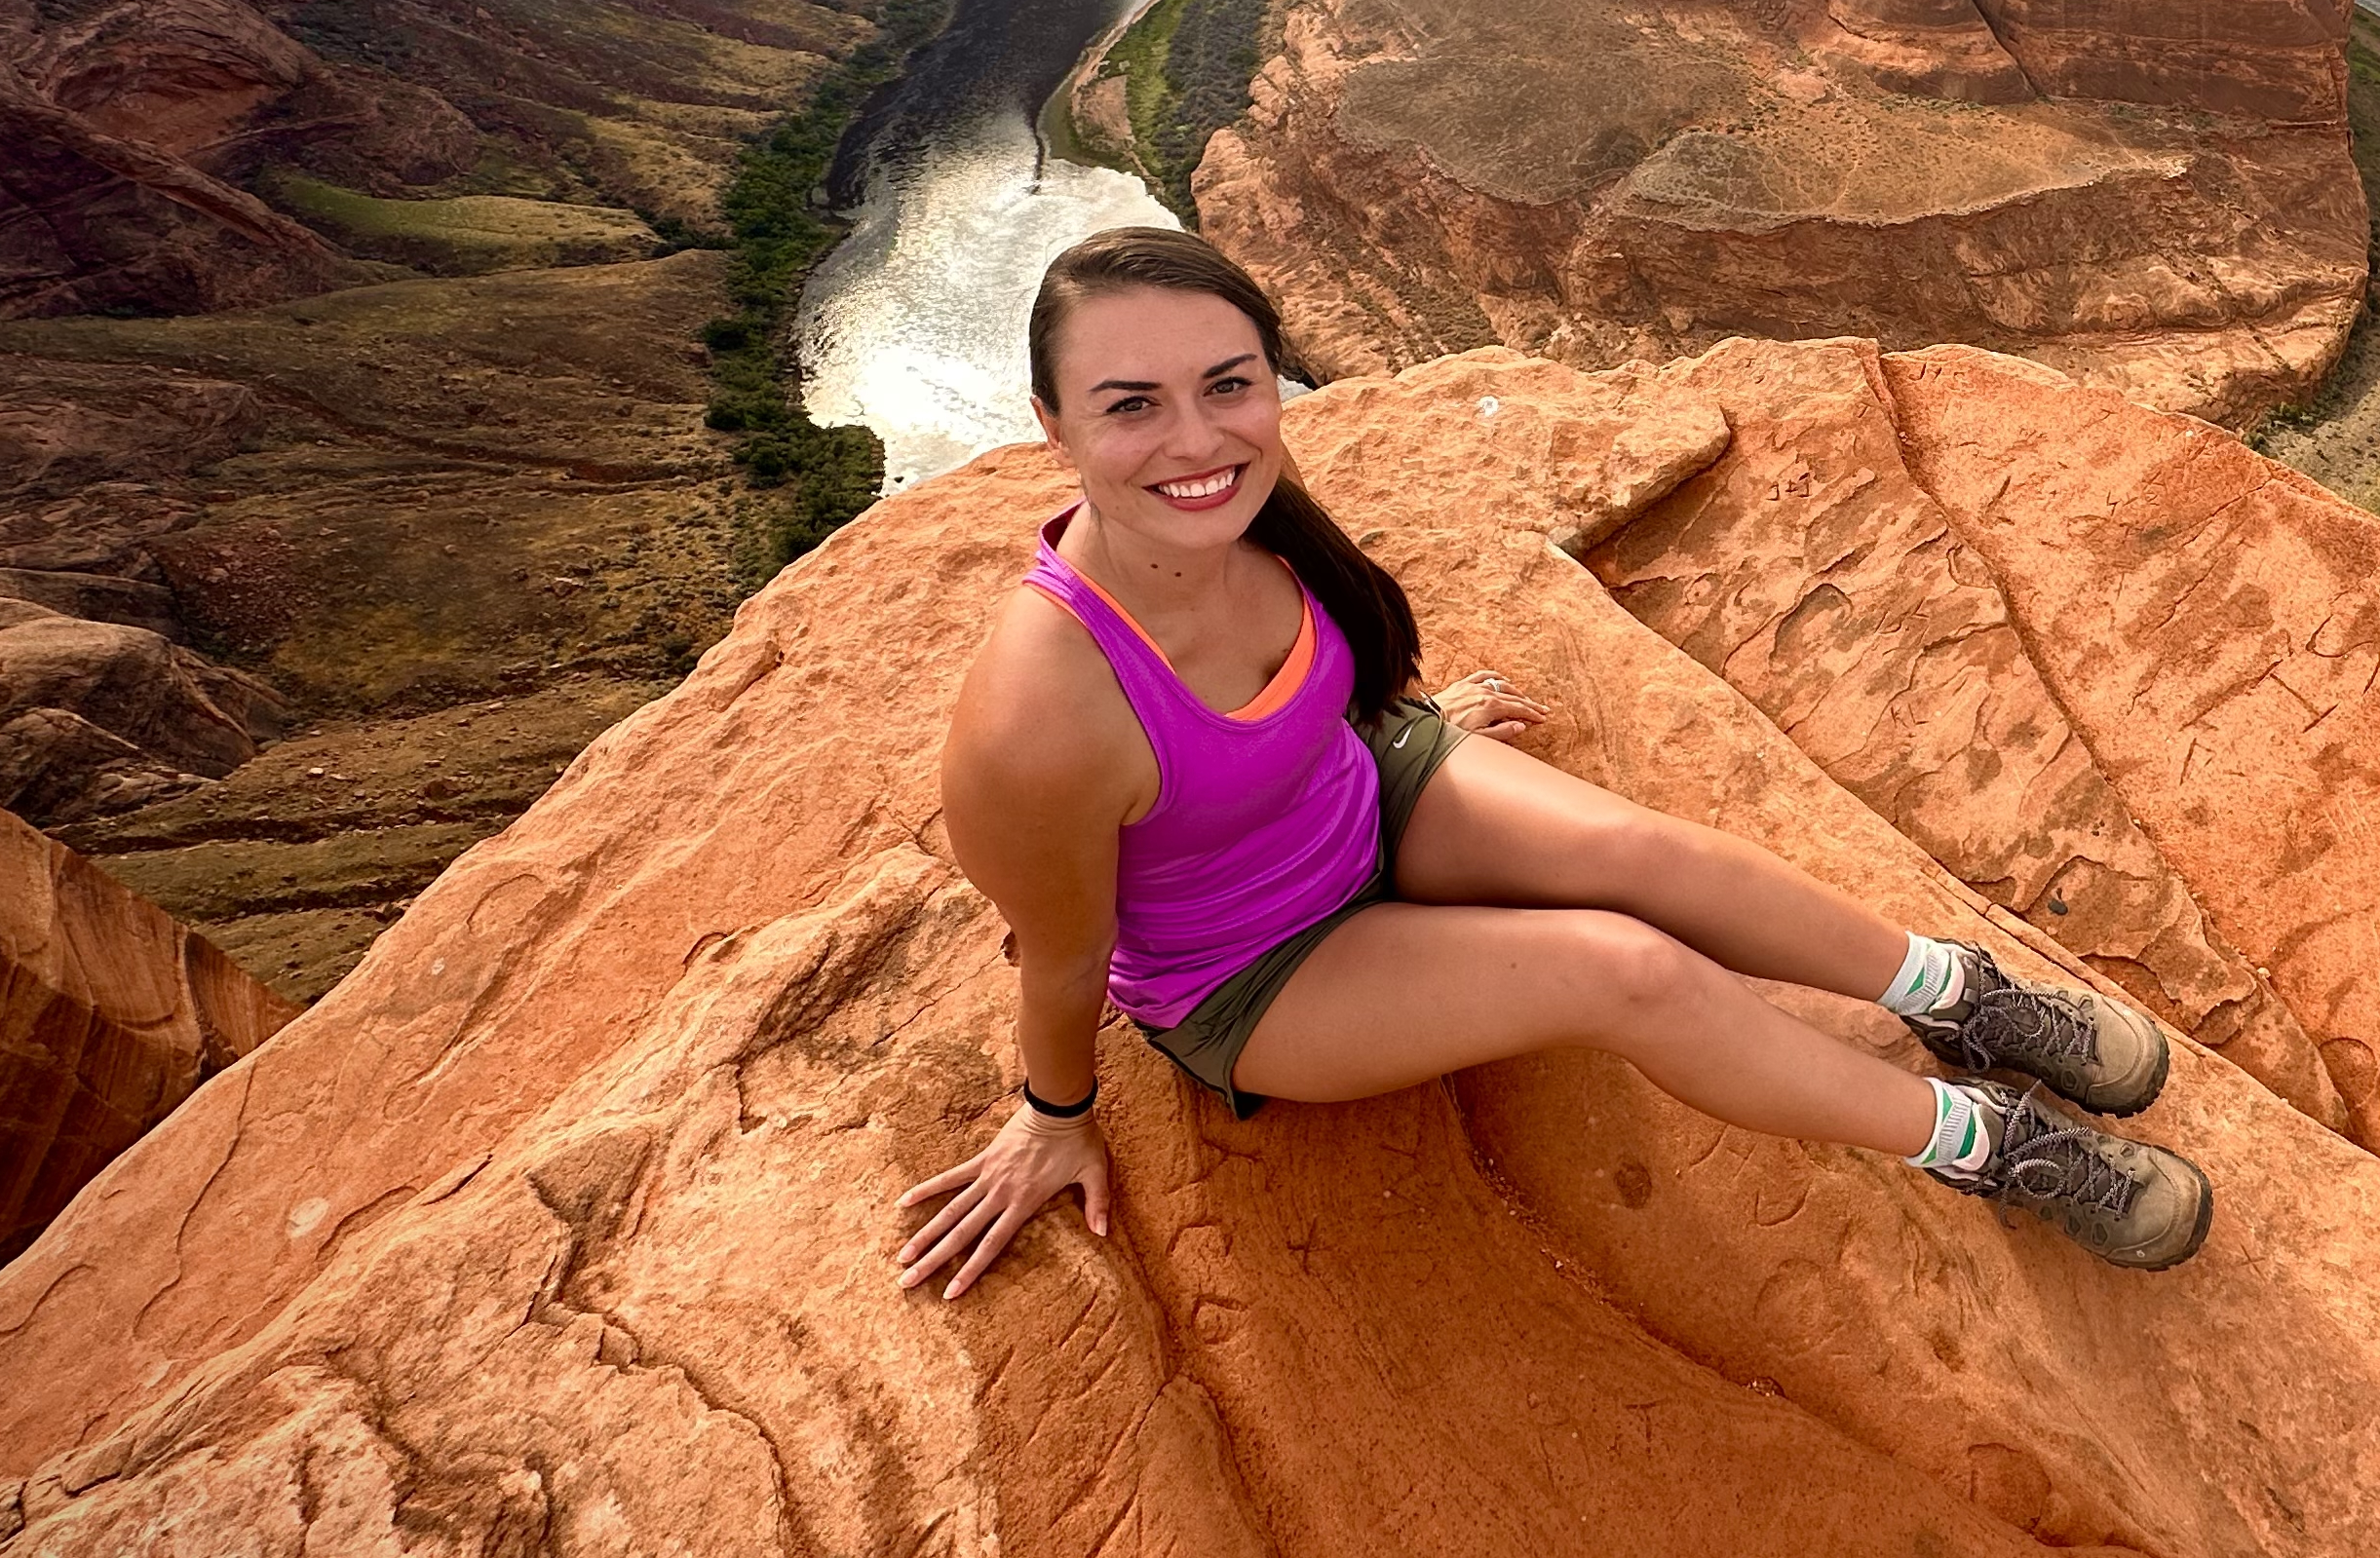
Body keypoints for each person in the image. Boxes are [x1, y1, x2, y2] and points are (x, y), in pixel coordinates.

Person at [894, 225, 2216, 1297]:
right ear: (1052, 425)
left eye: (1227, 386)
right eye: (1132, 406)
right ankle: (1982, 1140)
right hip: (1257, 971)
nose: (1197, 440)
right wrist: (1054, 1115)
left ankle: (1957, 994)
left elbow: (1326, 675)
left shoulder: (1260, 519)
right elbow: (1063, 958)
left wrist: (1398, 728)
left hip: (1359, 792)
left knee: (1642, 854)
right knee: (1624, 972)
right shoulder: (1043, 714)